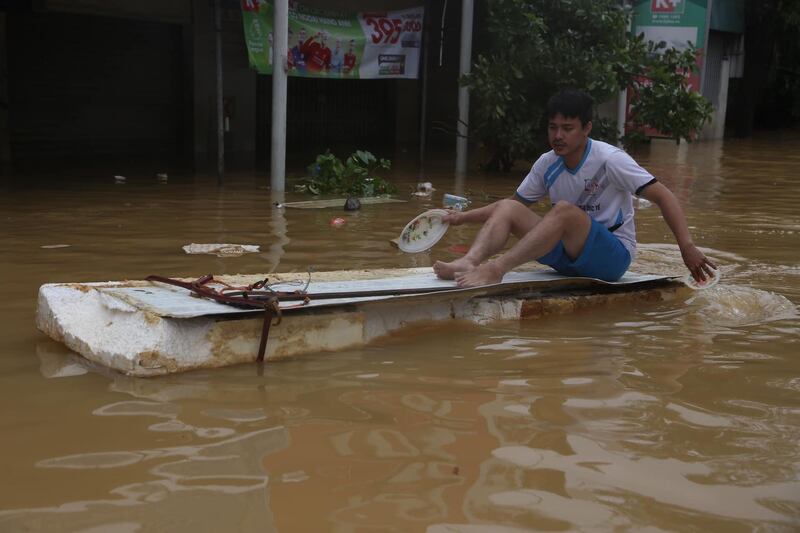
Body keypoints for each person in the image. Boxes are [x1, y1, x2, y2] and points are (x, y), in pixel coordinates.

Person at [433, 89, 717, 288]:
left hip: (612, 258)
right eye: (553, 127)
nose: (558, 136)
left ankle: (496, 270)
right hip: (565, 257)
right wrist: (460, 217)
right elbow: (508, 208)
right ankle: (469, 262)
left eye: (567, 128)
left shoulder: (610, 160)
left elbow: (664, 196)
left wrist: (687, 246)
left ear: (587, 128)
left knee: (564, 212)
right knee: (510, 208)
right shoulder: (547, 163)